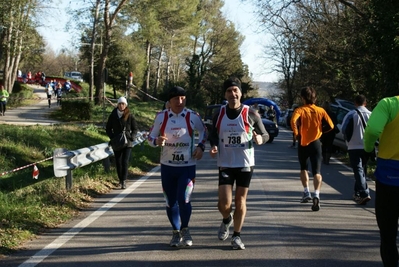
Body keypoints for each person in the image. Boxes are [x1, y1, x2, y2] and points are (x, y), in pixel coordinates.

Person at [209, 77, 269, 250]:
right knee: (224, 204)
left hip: (245, 162)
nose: (233, 94)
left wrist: (260, 138)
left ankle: (237, 236)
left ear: (241, 93)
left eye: (236, 90)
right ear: (225, 94)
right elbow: (213, 134)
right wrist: (213, 146)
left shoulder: (251, 113)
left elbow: (265, 135)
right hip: (226, 162)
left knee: (240, 200)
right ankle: (226, 219)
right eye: (229, 91)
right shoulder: (219, 114)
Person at [147, 86, 207, 247]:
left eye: (182, 98)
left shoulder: (192, 116)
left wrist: (201, 147)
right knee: (170, 201)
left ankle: (185, 229)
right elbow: (150, 136)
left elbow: (204, 132)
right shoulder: (161, 117)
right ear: (170, 101)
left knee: (184, 198)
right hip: (168, 167)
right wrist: (156, 141)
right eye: (176, 99)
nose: (180, 102)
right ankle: (175, 231)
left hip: (187, 166)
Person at [364, 96, 399, 267]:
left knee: (388, 233)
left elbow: (372, 131)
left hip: (389, 178)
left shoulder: (390, 104)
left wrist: (368, 148)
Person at [291, 86, 334, 211]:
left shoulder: (300, 110)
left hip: (303, 142)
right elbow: (331, 125)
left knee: (304, 167)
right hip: (316, 142)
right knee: (317, 171)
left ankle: (306, 192)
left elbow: (293, 121)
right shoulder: (321, 110)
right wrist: (322, 131)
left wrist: (296, 133)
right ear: (315, 97)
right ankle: (317, 194)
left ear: (303, 98)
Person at [341, 95, 372, 205]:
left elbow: (344, 129)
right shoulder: (371, 115)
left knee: (358, 169)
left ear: (355, 103)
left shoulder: (351, 114)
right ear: (365, 103)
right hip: (367, 146)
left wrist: (348, 140)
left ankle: (364, 193)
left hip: (354, 146)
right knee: (362, 169)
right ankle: (357, 192)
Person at [106, 97, 138, 189]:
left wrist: (132, 137)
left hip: (127, 142)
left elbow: (135, 128)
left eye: (123, 104)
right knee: (118, 162)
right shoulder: (113, 115)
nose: (121, 105)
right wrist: (112, 137)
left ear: (126, 105)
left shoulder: (130, 115)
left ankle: (124, 180)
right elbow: (108, 128)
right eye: (120, 104)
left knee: (125, 162)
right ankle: (120, 180)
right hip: (117, 142)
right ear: (117, 104)